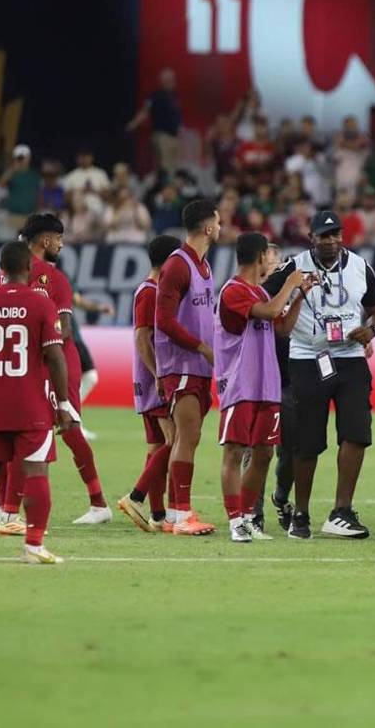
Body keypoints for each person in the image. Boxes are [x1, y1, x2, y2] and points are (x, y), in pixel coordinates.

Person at [264, 210, 375, 540]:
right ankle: (300, 514)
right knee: (307, 441)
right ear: (312, 238)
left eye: (336, 235)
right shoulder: (294, 265)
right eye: (324, 235)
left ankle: (341, 512)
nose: (331, 241)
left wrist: (371, 330)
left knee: (357, 432)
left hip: (350, 357)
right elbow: (263, 299)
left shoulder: (361, 266)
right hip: (307, 356)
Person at [0, 241, 76, 563]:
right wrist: (63, 404)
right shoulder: (40, 305)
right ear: (28, 268)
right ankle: (33, 546)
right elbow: (55, 357)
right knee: (36, 471)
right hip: (30, 405)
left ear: (1, 269)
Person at [0, 214, 110, 526]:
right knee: (17, 428)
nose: (61, 244)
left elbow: (66, 329)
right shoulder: (10, 274)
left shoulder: (53, 277)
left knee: (65, 430)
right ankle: (0, 505)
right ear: (45, 241)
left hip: (58, 363)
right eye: (59, 239)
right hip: (32, 365)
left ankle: (98, 504)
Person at [215, 233, 312, 542]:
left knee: (264, 454)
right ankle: (234, 522)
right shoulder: (233, 291)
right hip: (241, 384)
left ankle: (245, 516)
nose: (275, 261)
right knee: (234, 452)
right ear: (259, 257)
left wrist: (298, 296)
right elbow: (270, 312)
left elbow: (281, 327)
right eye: (270, 256)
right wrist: (291, 283)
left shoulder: (258, 291)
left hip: (266, 384)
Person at [155, 200, 220, 535]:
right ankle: (182, 514)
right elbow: (162, 320)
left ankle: (173, 513)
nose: (221, 228)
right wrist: (201, 347)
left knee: (186, 436)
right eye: (218, 223)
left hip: (197, 365)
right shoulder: (178, 265)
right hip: (181, 364)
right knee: (188, 435)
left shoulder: (202, 266)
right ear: (208, 227)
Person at [117, 235, 182, 532]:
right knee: (176, 440)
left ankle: (157, 515)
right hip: (154, 376)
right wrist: (158, 375)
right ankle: (136, 496)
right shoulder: (150, 292)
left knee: (157, 445)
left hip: (149, 377)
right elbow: (142, 337)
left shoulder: (151, 290)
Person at [126, 68, 182, 174]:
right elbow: (145, 111)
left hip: (174, 137)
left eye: (173, 79)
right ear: (164, 81)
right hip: (162, 136)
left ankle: (171, 189)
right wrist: (134, 123)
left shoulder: (174, 96)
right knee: (164, 167)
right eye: (170, 79)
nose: (173, 81)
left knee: (173, 167)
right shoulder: (156, 96)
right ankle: (164, 188)